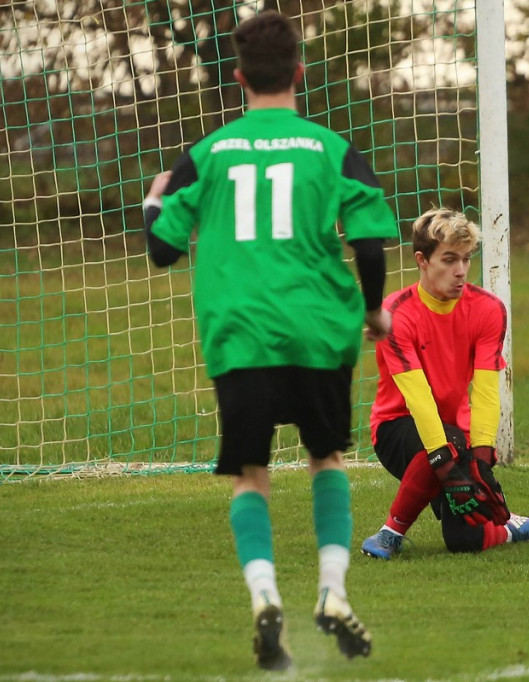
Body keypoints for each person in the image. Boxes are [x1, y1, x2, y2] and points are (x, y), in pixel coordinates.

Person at [141, 9, 398, 671]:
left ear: (238, 77)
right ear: (299, 73)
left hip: (240, 336)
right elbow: (370, 243)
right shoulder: (332, 149)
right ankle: (333, 591)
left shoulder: (207, 154)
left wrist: (153, 203)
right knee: (325, 459)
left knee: (250, 474)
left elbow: (162, 250)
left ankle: (264, 596)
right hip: (318, 332)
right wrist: (374, 312)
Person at [361, 207, 529, 560]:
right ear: (422, 260)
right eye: (449, 259)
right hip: (397, 428)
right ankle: (391, 533)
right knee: (449, 441)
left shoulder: (488, 310)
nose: (461, 271)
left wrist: (481, 460)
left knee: (465, 537)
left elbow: (485, 392)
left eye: (467, 259)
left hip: (457, 434)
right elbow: (418, 399)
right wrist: (444, 463)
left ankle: (512, 526)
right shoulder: (396, 315)